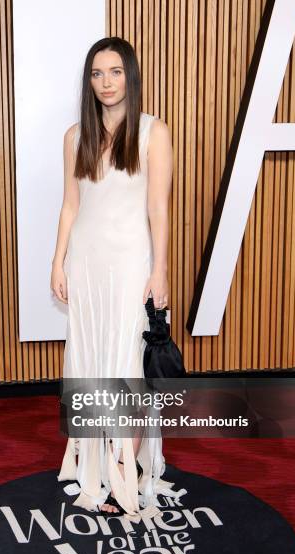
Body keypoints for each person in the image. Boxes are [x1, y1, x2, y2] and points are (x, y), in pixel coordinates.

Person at [51, 37, 178, 523]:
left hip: (131, 266)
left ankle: (126, 469)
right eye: (97, 73)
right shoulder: (74, 136)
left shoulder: (153, 132)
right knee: (92, 363)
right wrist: (58, 261)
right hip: (85, 263)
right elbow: (70, 205)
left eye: (115, 72)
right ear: (89, 81)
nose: (106, 82)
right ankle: (94, 466)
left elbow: (158, 209)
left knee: (127, 367)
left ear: (131, 76)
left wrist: (160, 269)